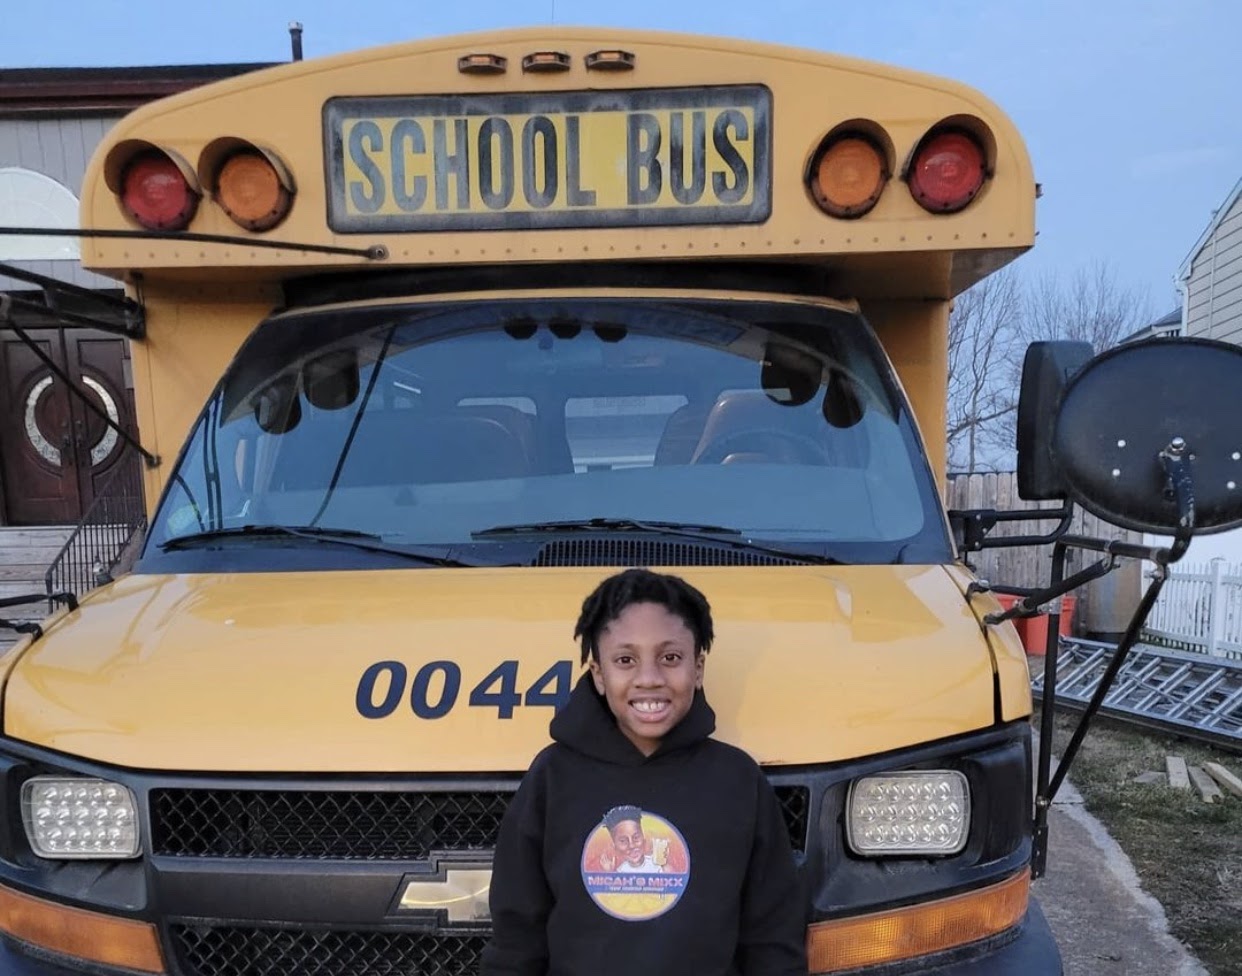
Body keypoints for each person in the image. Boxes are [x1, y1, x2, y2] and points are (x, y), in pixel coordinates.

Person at [481, 568, 807, 976]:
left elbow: (773, 938)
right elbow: (517, 938)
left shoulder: (738, 780)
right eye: (625, 660)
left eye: (670, 658)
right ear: (599, 674)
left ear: (699, 667)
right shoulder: (553, 777)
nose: (649, 679)